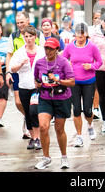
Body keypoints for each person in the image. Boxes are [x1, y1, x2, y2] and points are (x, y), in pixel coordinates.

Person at [33, 38, 75, 170]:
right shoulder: (39, 63)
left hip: (61, 98)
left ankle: (64, 156)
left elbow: (72, 82)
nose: (48, 51)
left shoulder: (64, 63)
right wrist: (37, 84)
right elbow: (36, 78)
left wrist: (58, 80)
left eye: (51, 48)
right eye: (46, 48)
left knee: (59, 129)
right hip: (45, 97)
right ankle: (46, 158)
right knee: (43, 126)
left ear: (57, 49)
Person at [62, 22, 102, 147]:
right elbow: (63, 60)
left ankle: (90, 126)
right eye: (78, 32)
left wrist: (91, 66)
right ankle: (79, 136)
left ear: (86, 34)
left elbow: (100, 62)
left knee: (88, 111)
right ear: (75, 33)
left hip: (89, 81)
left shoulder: (92, 47)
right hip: (74, 82)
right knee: (77, 110)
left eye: (82, 32)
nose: (80, 35)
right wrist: (67, 68)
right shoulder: (70, 47)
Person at [6, 11, 42, 138]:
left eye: (22, 22)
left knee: (33, 109)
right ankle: (28, 120)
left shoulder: (38, 35)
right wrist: (8, 72)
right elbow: (9, 55)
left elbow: (44, 54)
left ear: (28, 21)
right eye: (18, 23)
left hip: (36, 75)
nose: (20, 25)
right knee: (19, 103)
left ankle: (34, 126)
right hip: (19, 71)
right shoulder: (14, 36)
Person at [9, 26, 45, 150]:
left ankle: (38, 138)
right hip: (24, 86)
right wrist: (20, 64)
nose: (29, 39)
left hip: (37, 86)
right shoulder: (20, 52)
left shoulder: (41, 51)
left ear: (35, 37)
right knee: (27, 114)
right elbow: (11, 68)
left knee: (34, 111)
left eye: (31, 36)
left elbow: (48, 64)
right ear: (24, 38)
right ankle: (32, 138)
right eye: (26, 37)